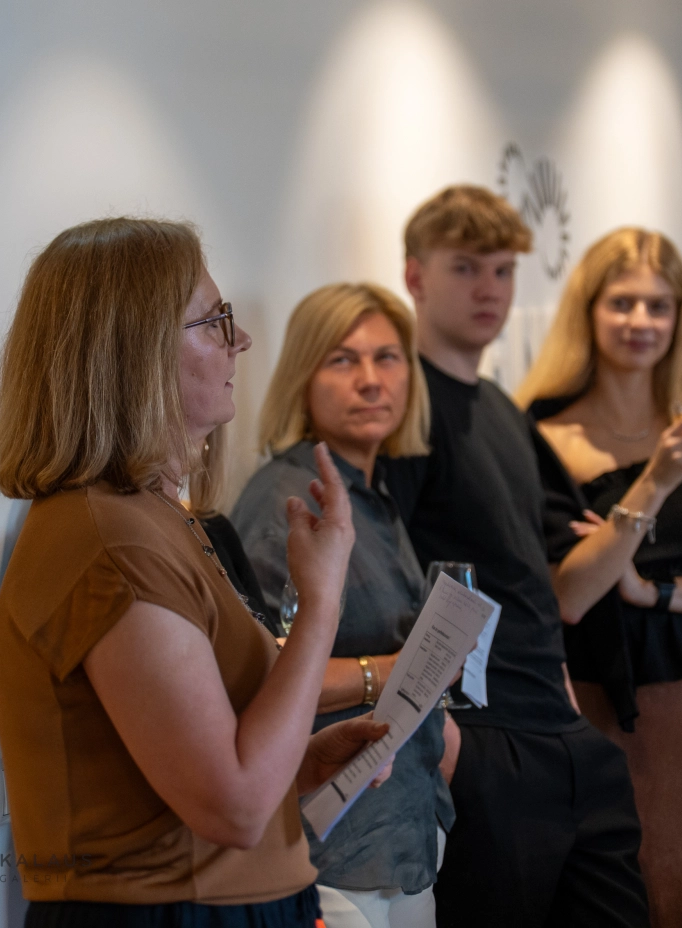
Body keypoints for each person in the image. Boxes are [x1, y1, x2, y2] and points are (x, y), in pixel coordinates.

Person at [0, 217, 393, 928]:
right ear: (133, 353)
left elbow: (186, 781)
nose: (241, 340)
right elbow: (232, 809)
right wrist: (321, 602)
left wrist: (303, 762)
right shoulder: (107, 539)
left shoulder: (150, 518)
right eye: (214, 321)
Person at [382, 186, 650, 928]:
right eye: (466, 268)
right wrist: (444, 742)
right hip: (483, 739)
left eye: (503, 271)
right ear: (415, 276)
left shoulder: (504, 410)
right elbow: (382, 581)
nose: (490, 290)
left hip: (563, 730)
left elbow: (546, 578)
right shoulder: (402, 408)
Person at [517, 227, 682, 928]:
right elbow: (571, 593)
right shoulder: (542, 435)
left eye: (658, 305)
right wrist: (658, 477)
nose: (640, 321)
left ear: (680, 317)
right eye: (622, 303)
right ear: (588, 312)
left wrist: (658, 592)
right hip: (582, 699)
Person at [231, 283, 456, 928]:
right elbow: (260, 673)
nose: (370, 380)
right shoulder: (290, 502)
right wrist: (391, 672)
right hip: (332, 853)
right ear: (303, 377)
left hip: (403, 835)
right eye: (342, 360)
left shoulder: (370, 495)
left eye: (387, 358)